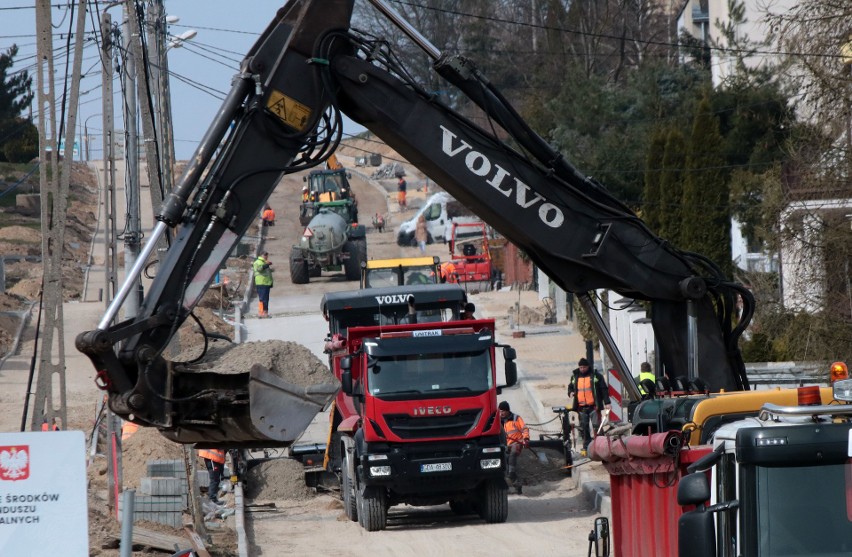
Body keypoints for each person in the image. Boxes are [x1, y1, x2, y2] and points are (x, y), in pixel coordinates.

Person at [567, 358, 612, 457]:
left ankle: (601, 445)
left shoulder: (596, 376)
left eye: (584, 367)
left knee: (597, 427)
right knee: (584, 428)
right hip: (581, 408)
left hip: (594, 407)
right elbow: (570, 386)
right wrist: (570, 392)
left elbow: (603, 389)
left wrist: (607, 402)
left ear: (588, 367)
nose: (582, 369)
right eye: (580, 367)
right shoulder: (575, 376)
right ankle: (586, 447)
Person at [499, 401, 529, 494]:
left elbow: (524, 429)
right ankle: (516, 484)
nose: (501, 413)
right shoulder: (498, 421)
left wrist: (526, 439)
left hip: (517, 443)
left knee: (513, 453)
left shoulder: (516, 418)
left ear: (508, 411)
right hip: (505, 445)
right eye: (500, 411)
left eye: (503, 411)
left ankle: (511, 472)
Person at [253, 252, 273, 318]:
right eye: (266, 256)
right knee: (263, 298)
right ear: (262, 255)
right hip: (261, 282)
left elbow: (266, 272)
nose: (267, 257)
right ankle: (262, 312)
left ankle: (264, 312)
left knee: (265, 298)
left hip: (266, 283)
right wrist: (267, 264)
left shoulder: (264, 262)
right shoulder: (258, 262)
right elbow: (259, 269)